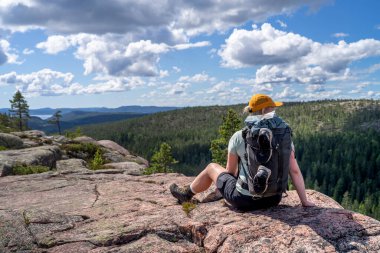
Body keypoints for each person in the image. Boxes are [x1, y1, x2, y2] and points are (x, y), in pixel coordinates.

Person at [170, 94, 315, 210]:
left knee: (211, 168)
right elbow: (294, 171)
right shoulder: (283, 137)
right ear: (269, 111)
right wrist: (304, 201)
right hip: (273, 199)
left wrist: (225, 188)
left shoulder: (240, 136)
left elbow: (230, 172)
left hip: (243, 200)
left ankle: (186, 194)